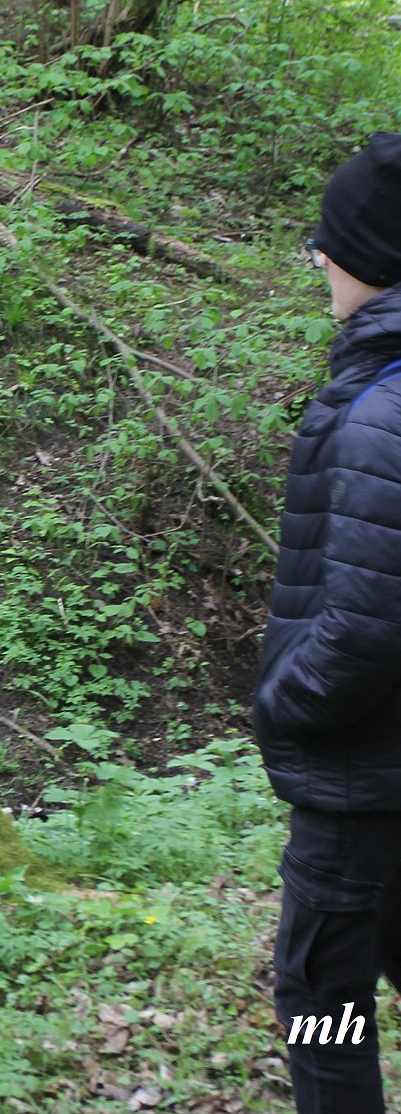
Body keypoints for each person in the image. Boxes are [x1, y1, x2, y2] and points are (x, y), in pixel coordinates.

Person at [255, 133, 401, 1113]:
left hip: (361, 776)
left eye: (330, 239)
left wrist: (286, 705)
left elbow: (366, 623)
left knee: (321, 999)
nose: (316, 255)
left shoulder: (380, 409)